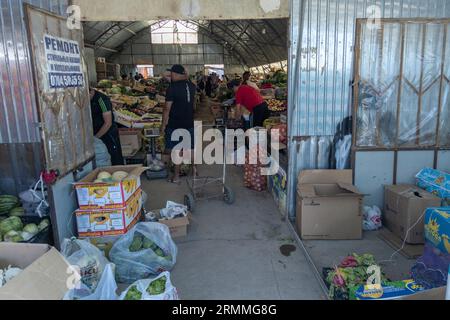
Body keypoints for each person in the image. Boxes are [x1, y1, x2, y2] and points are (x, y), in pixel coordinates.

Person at [161, 64, 197, 184]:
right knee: (191, 148)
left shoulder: (172, 88)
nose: (169, 75)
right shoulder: (192, 86)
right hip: (189, 122)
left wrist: (163, 125)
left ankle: (176, 177)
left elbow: (167, 109)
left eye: (172, 73)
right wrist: (183, 73)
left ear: (176, 74)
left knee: (177, 150)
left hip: (175, 123)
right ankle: (195, 170)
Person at [89, 88, 124, 165]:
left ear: (90, 92)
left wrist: (95, 138)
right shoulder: (88, 100)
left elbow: (108, 123)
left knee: (115, 159)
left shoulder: (101, 100)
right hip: (96, 134)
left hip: (108, 135)